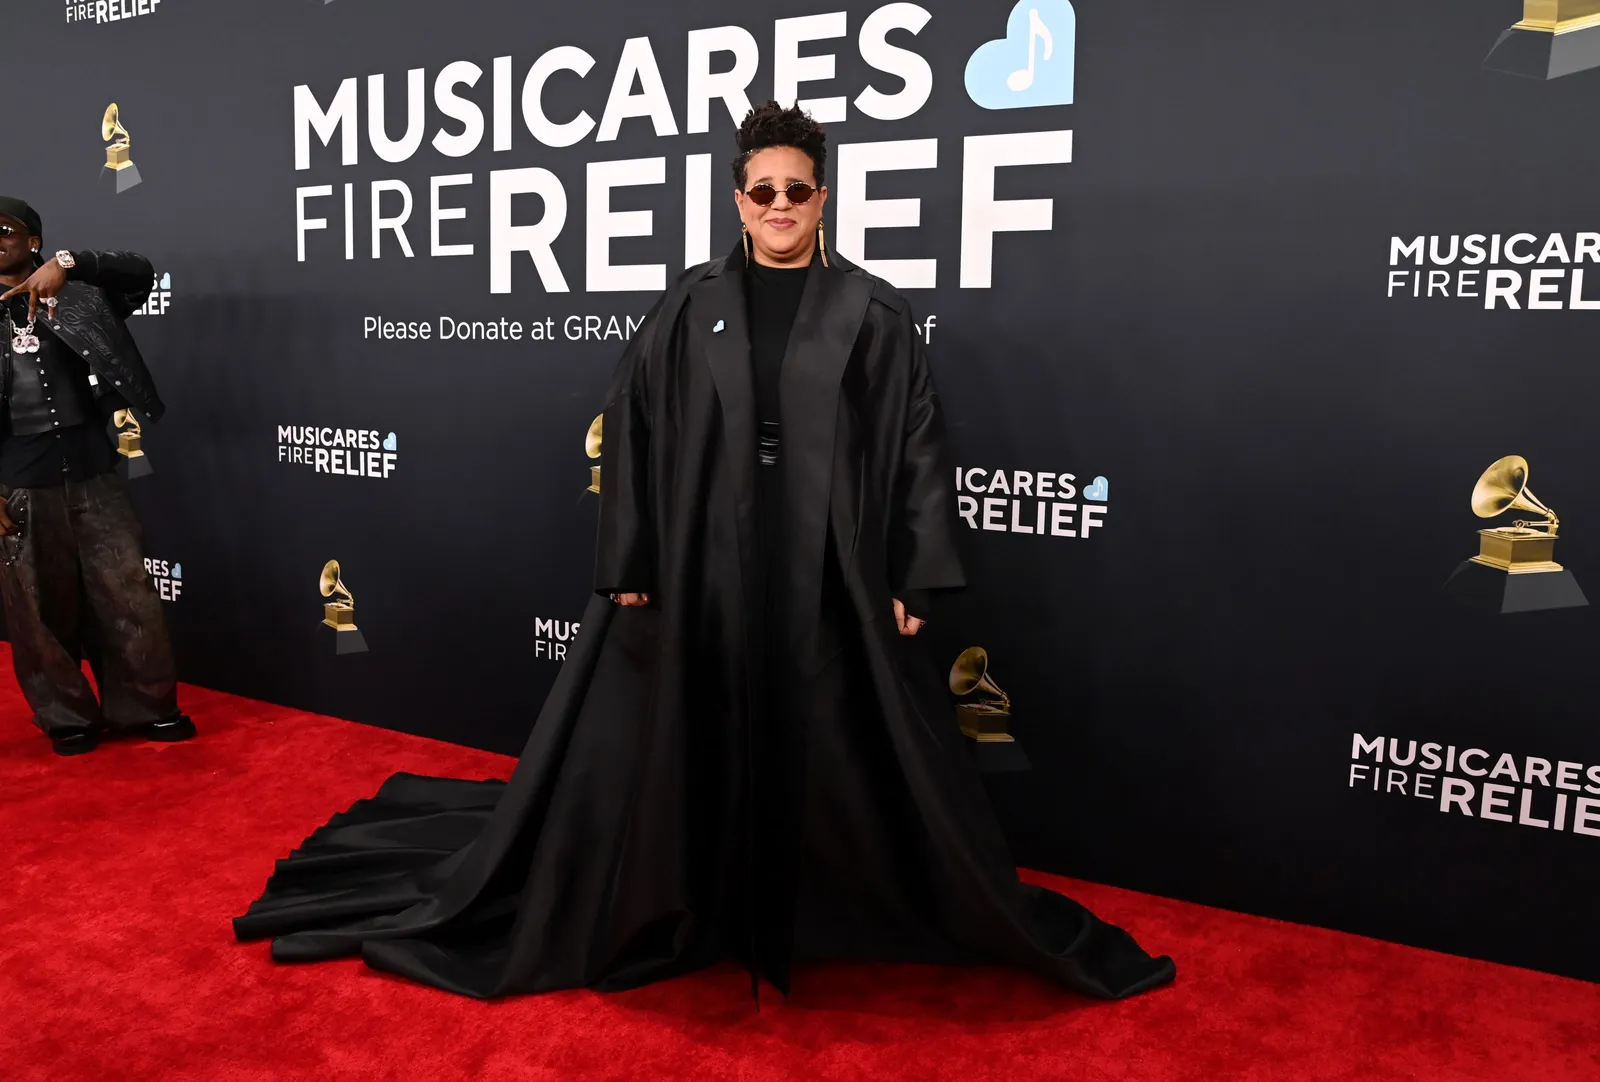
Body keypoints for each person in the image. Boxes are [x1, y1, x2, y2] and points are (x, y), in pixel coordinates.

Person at [234, 103, 1175, 1001]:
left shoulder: (871, 311)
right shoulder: (691, 304)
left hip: (829, 569)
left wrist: (919, 568)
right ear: (737, 200)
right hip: (704, 559)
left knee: (842, 737)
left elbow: (919, 443)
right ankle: (700, 894)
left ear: (824, 199)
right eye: (761, 191)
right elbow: (630, 430)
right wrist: (631, 561)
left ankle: (818, 901)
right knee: (693, 725)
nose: (778, 207)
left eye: (796, 191)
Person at [0, 197, 194, 756]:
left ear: (33, 241)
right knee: (37, 608)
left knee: (127, 593)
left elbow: (140, 274)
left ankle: (146, 708)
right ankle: (67, 718)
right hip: (20, 480)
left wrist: (71, 262)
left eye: (7, 230)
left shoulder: (81, 297)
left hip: (93, 470)